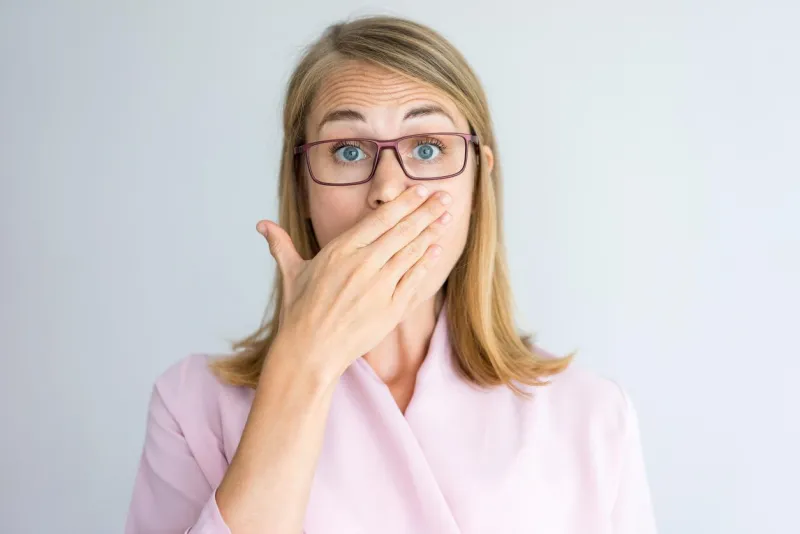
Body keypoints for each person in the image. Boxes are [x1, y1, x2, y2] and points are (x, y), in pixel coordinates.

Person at [124, 14, 657, 534]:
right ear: (303, 187)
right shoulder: (193, 407)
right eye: (348, 151)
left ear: (479, 184)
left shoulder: (589, 416)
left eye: (427, 149)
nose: (387, 189)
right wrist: (302, 365)